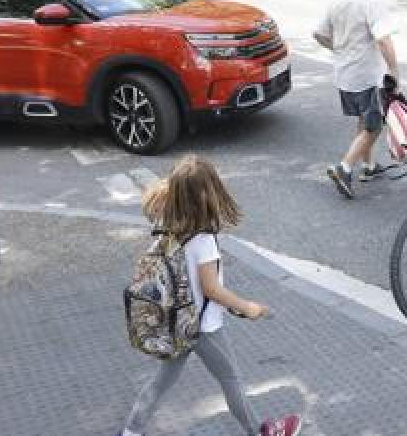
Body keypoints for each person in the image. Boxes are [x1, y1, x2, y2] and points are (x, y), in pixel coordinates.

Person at [121, 155, 302, 436]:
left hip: (178, 322)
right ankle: (261, 432)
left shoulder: (170, 227)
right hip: (203, 328)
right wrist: (248, 307)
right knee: (230, 379)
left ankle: (131, 431)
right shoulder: (203, 241)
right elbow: (211, 289)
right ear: (208, 195)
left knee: (161, 381)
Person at [314, 0, 398, 199]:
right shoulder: (372, 2)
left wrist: (339, 50)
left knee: (363, 120)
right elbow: (383, 39)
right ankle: (345, 168)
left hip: (345, 75)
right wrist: (394, 72)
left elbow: (318, 34)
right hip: (367, 75)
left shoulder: (337, 1)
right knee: (374, 126)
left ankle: (368, 167)